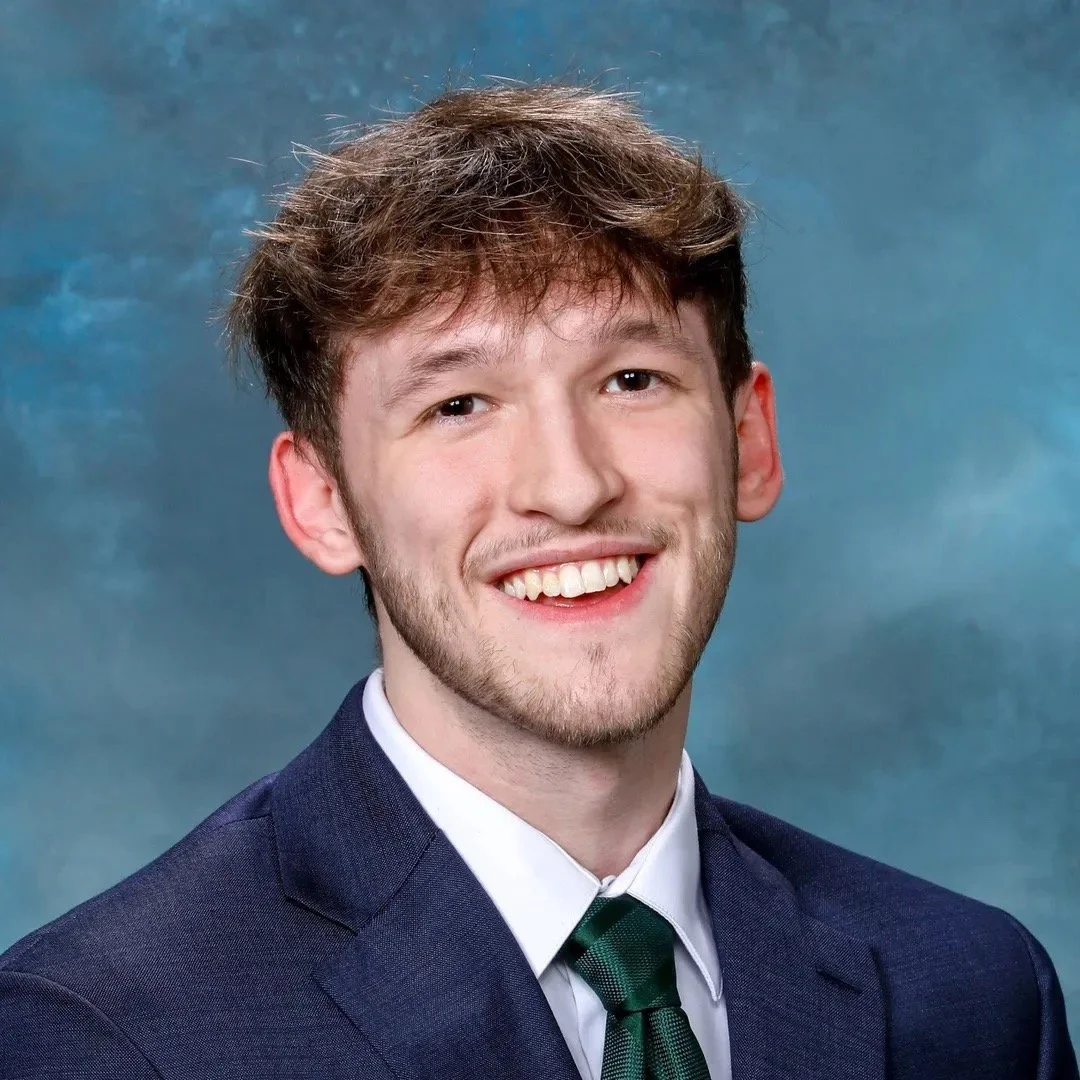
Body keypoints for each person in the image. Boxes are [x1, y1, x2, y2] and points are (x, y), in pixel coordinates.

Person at [0, 83, 1074, 1080]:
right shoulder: (103, 1034)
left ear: (749, 440)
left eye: (632, 379)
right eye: (458, 405)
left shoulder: (973, 995)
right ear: (322, 501)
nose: (570, 486)